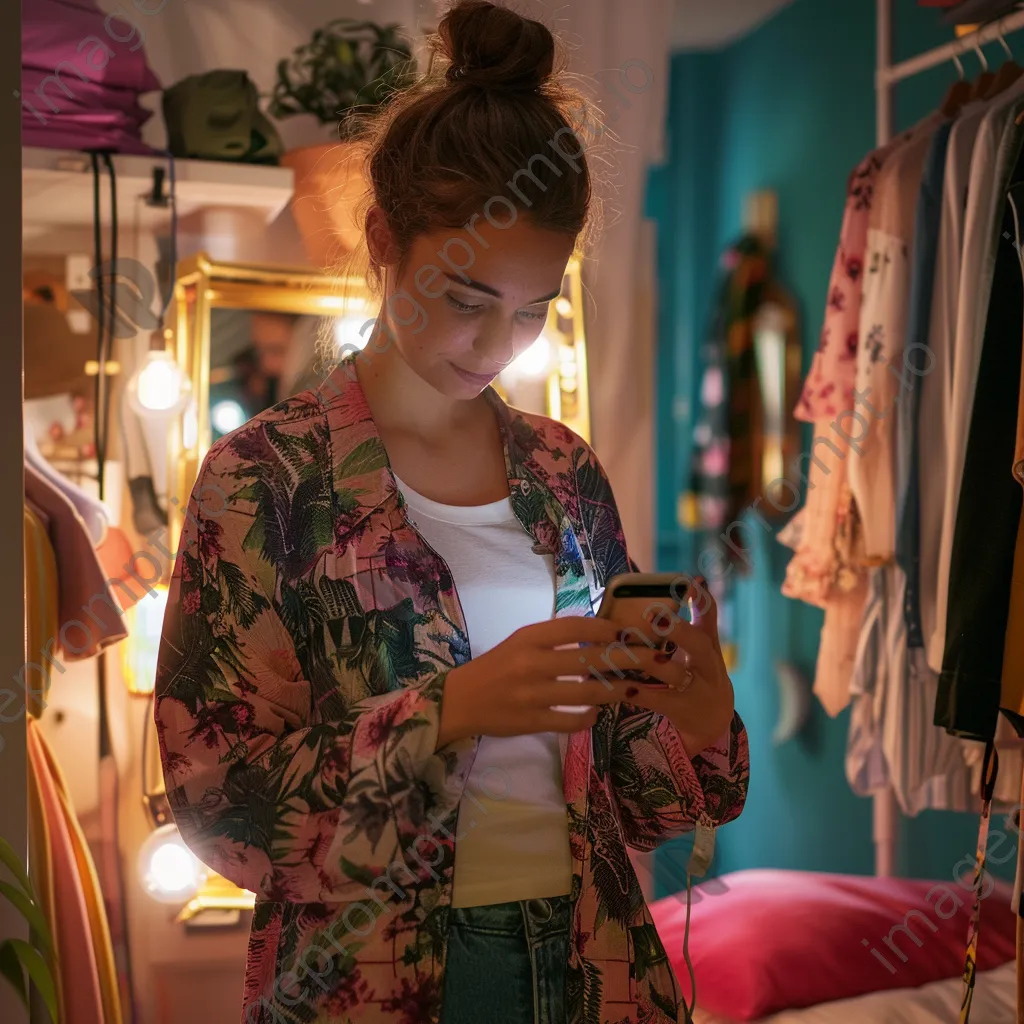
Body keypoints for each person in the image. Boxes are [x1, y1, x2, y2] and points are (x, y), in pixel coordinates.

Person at [153, 3, 749, 1023]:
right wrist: (454, 706)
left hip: (587, 954)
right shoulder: (263, 482)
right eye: (466, 297)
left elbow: (644, 803)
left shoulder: (563, 471)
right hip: (369, 976)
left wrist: (694, 711)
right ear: (383, 239)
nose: (496, 345)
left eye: (531, 310)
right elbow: (221, 810)